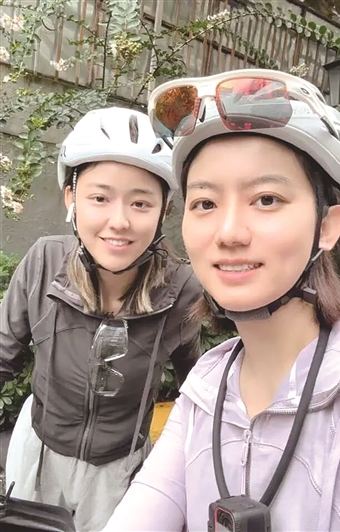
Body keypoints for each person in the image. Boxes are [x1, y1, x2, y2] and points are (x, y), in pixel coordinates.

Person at [103, 70, 340, 531]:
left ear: (327, 226)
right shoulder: (207, 388)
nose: (229, 233)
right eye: (205, 203)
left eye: (266, 199)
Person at [1, 107, 202, 531]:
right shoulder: (44, 261)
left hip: (119, 467)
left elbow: (195, 384)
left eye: (141, 203)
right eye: (99, 198)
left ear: (164, 209)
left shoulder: (182, 287)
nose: (120, 221)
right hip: (39, 452)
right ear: (71, 199)